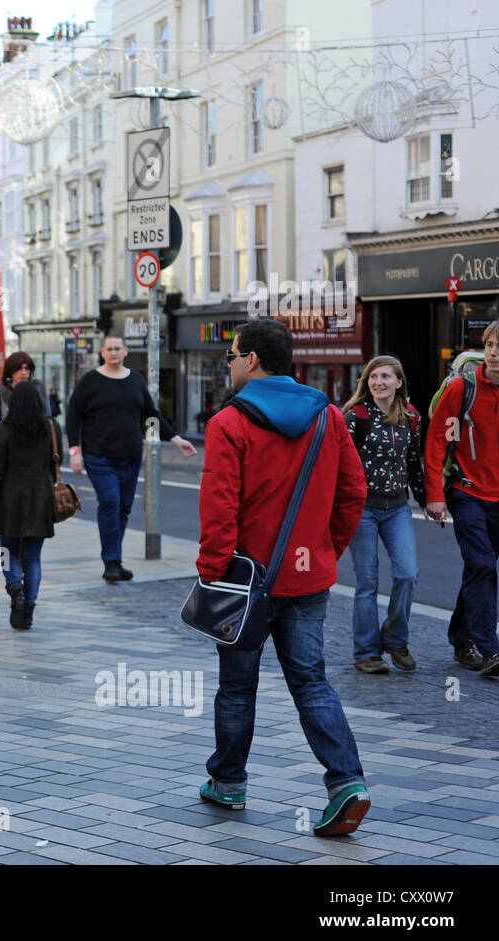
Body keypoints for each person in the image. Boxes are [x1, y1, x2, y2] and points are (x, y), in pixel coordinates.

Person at [197, 320, 370, 836]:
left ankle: (228, 783)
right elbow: (352, 493)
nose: (227, 363)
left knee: (236, 687)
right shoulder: (328, 418)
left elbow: (219, 509)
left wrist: (212, 573)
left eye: (231, 355)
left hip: (245, 580)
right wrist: (322, 551)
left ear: (251, 360)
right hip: (307, 576)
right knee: (311, 681)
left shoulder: (228, 423)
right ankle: (347, 783)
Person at [65, 336, 197, 582]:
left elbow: (150, 415)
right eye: (109, 349)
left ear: (125, 351)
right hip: (99, 456)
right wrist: (75, 451)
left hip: (130, 456)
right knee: (110, 503)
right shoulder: (90, 381)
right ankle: (111, 561)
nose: (114, 353)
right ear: (102, 352)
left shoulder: (135, 379)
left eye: (118, 349)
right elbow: (73, 416)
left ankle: (115, 559)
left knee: (123, 509)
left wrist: (176, 439)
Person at [424, 318, 499, 678]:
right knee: (484, 566)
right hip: (466, 491)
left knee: (479, 569)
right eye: (489, 345)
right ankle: (490, 649)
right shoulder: (463, 387)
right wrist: (434, 495)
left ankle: (460, 636)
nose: (493, 352)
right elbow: (436, 441)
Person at [341, 356, 425, 674]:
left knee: (407, 573)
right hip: (362, 508)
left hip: (398, 508)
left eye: (386, 377)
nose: (379, 382)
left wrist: (429, 500)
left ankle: (395, 639)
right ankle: (366, 652)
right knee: (367, 581)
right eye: (373, 377)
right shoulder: (356, 416)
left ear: (399, 382)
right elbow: (340, 465)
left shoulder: (412, 418)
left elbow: (414, 464)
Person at [0, 380, 64, 630]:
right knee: (34, 558)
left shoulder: (5, 429)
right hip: (40, 497)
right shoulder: (51, 427)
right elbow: (58, 460)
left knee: (8, 552)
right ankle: (30, 607)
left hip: (9, 499)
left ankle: (16, 592)